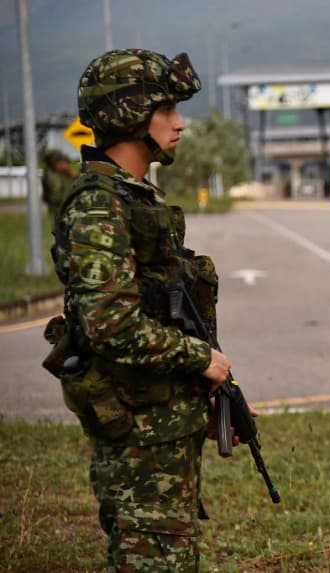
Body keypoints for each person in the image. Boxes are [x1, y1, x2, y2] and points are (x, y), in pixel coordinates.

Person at [42, 49, 236, 571]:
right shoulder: (100, 204)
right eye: (167, 110)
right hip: (139, 433)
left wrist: (211, 391)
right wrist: (200, 359)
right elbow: (110, 324)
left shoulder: (133, 197)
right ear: (130, 115)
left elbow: (166, 308)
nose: (180, 123)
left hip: (162, 424)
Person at [41, 148, 76, 220]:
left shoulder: (64, 173)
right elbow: (56, 194)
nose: (66, 165)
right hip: (59, 207)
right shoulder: (51, 175)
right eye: (61, 162)